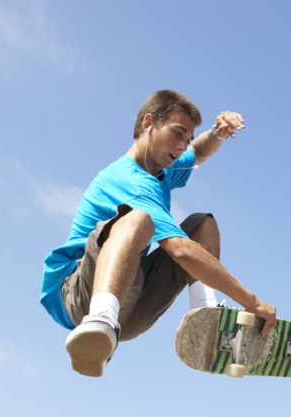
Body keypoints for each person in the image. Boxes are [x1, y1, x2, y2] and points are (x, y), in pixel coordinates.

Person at [40, 90, 277, 377]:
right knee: (137, 220)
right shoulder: (128, 179)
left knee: (202, 224)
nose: (181, 147)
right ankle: (98, 322)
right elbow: (180, 250)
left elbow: (199, 152)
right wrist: (253, 302)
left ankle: (207, 321)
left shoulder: (162, 169)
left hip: (130, 311)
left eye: (186, 139)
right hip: (81, 297)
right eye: (178, 134)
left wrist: (218, 132)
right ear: (148, 123)